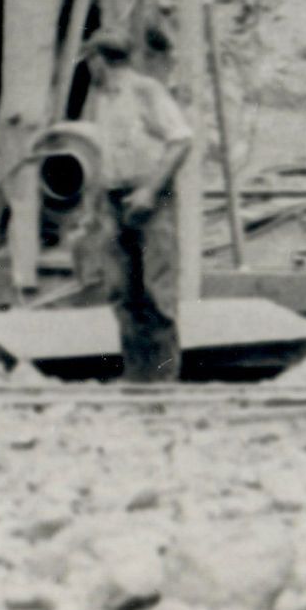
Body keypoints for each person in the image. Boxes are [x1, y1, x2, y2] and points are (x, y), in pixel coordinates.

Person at [74, 22, 195, 384]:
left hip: (152, 201)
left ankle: (163, 381)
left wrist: (150, 192)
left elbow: (181, 141)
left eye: (89, 62)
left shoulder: (146, 91)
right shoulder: (102, 101)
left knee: (157, 295)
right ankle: (136, 377)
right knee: (122, 293)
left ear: (99, 60)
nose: (89, 69)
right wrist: (92, 211)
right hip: (114, 200)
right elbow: (103, 158)